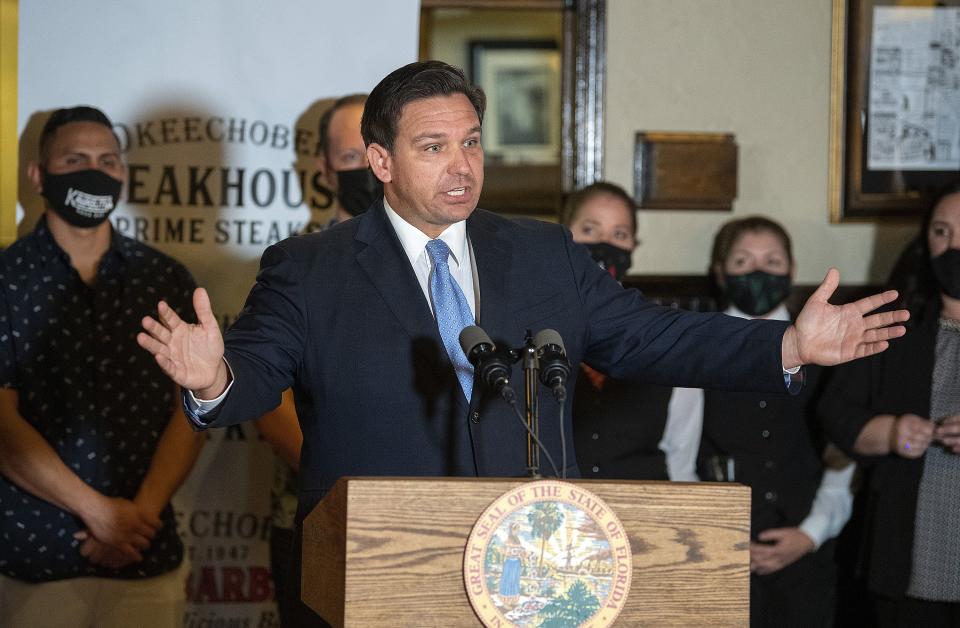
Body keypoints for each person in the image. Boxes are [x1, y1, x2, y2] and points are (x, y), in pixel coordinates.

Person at [136, 61, 906, 625]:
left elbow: (647, 336)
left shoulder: (543, 253)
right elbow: (256, 376)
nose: (462, 166)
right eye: (433, 147)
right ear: (379, 162)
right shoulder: (309, 269)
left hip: (533, 570)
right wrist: (212, 380)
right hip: (376, 575)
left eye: (471, 143)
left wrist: (787, 345)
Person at [0, 106, 204, 627]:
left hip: (146, 554)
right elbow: (2, 426)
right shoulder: (6, 278)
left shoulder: (164, 279)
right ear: (38, 175)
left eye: (107, 160)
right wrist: (102, 515)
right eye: (75, 159)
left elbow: (193, 408)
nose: (94, 171)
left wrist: (138, 518)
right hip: (31, 562)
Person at [664, 216, 854, 627]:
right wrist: (717, 533)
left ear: (791, 269)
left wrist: (812, 532)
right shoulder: (698, 345)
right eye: (742, 261)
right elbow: (679, 454)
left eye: (772, 260)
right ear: (720, 272)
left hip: (808, 557)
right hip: (718, 553)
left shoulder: (828, 349)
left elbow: (842, 449)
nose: (758, 271)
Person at [252, 92, 372, 626]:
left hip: (425, 519)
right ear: (324, 171)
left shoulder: (449, 263)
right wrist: (348, 483)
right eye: (351, 158)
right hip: (319, 514)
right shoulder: (295, 266)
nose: (367, 168)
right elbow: (265, 396)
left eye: (376, 150)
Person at [819, 181, 960, 627]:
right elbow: (835, 414)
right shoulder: (894, 324)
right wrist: (893, 432)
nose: (954, 246)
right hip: (911, 560)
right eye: (941, 232)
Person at [562, 181, 675, 480]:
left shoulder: (658, 331)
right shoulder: (526, 322)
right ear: (563, 233)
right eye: (589, 230)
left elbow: (681, 453)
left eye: (619, 234)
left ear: (633, 246)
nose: (604, 244)